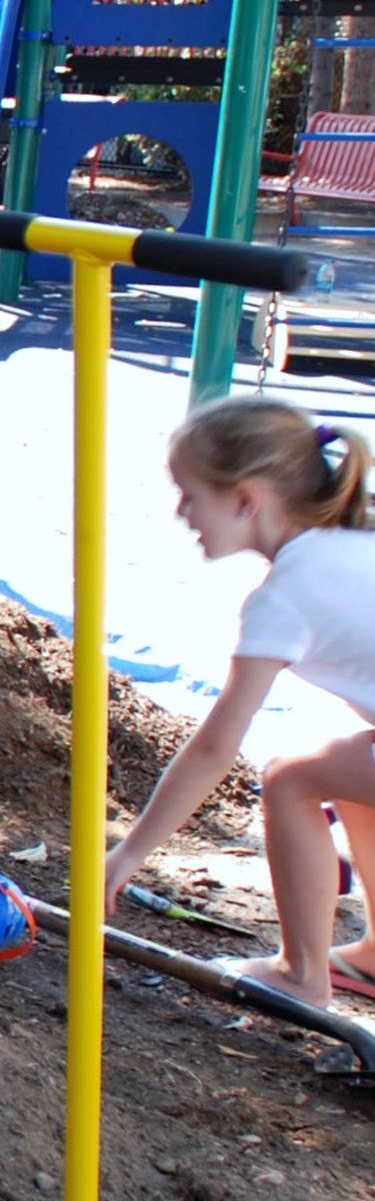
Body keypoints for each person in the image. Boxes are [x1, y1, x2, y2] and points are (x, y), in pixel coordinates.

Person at [105, 400, 375, 1011]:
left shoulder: (285, 597)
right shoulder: (347, 542)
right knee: (343, 768)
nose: (183, 514)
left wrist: (128, 854)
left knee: (289, 779)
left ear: (247, 499)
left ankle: (301, 975)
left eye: (190, 495)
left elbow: (213, 747)